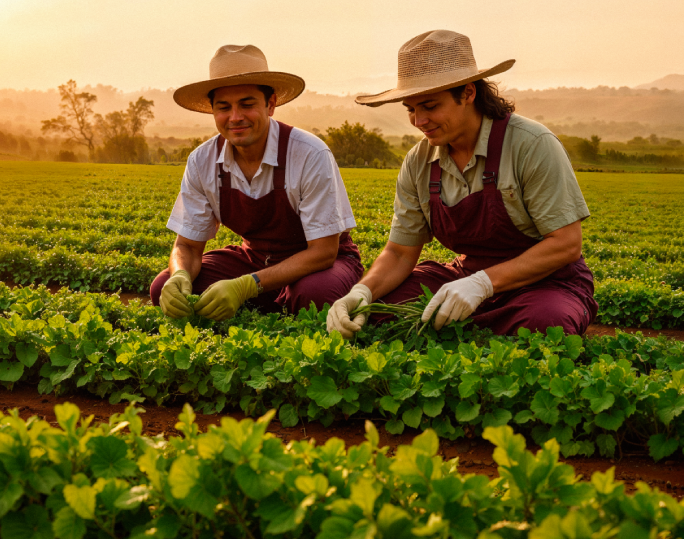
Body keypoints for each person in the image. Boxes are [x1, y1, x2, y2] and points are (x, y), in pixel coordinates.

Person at [327, 30, 598, 338]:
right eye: (411, 109)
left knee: (545, 325)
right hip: (463, 278)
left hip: (544, 282)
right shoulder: (419, 162)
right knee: (378, 311)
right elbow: (401, 253)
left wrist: (483, 284)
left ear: (468, 93)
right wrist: (361, 293)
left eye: (429, 106)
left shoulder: (531, 144)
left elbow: (565, 244)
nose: (418, 121)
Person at [152, 44, 362, 321]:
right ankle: (275, 300)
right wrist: (179, 274)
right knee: (164, 290)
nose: (235, 117)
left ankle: (272, 299)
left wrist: (245, 286)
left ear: (270, 104)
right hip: (255, 259)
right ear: (213, 112)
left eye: (247, 104)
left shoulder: (309, 153)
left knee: (314, 297)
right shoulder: (202, 161)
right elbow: (188, 247)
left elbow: (323, 252)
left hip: (320, 263)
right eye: (224, 107)